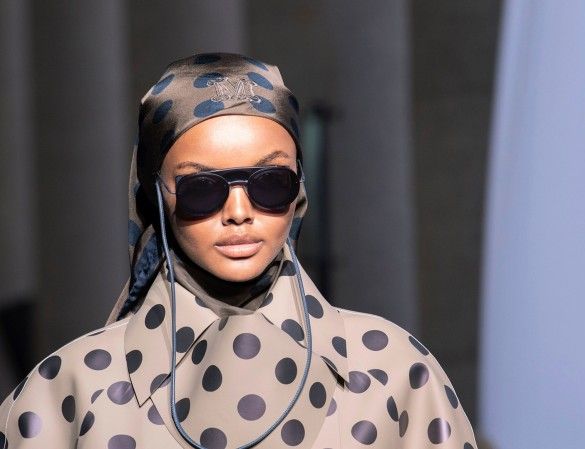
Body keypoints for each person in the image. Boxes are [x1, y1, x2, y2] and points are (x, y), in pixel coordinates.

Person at [0, 52, 477, 449]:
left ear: (299, 190)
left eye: (271, 183)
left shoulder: (393, 372)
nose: (239, 212)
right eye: (201, 188)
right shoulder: (71, 390)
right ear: (155, 197)